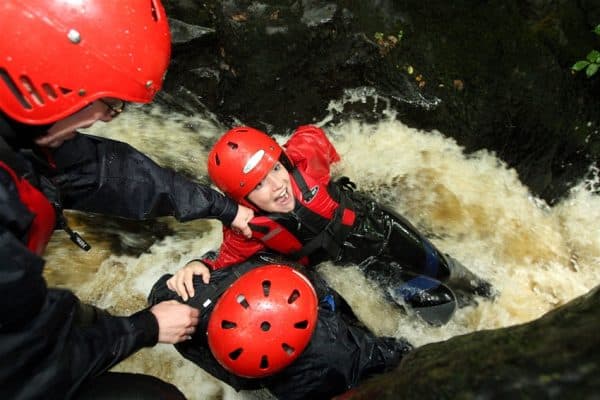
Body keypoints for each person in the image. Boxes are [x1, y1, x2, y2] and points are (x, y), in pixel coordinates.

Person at [0, 1, 254, 399]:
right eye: (109, 103)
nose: (107, 117)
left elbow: (111, 174)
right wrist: (146, 327)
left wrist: (224, 207)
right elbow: (27, 367)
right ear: (54, 85)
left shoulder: (22, 138)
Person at [169, 125, 495, 325]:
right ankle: (468, 334)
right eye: (258, 186)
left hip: (380, 225)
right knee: (437, 302)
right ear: (242, 199)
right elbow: (226, 259)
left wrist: (335, 163)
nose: (277, 186)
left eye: (275, 171)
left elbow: (313, 134)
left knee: (440, 267)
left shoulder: (303, 159)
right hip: (360, 266)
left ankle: (492, 296)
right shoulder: (248, 227)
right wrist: (197, 264)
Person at [150, 253, 413, 400]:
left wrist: (200, 263)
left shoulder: (185, 312)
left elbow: (161, 291)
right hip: (337, 357)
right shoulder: (338, 353)